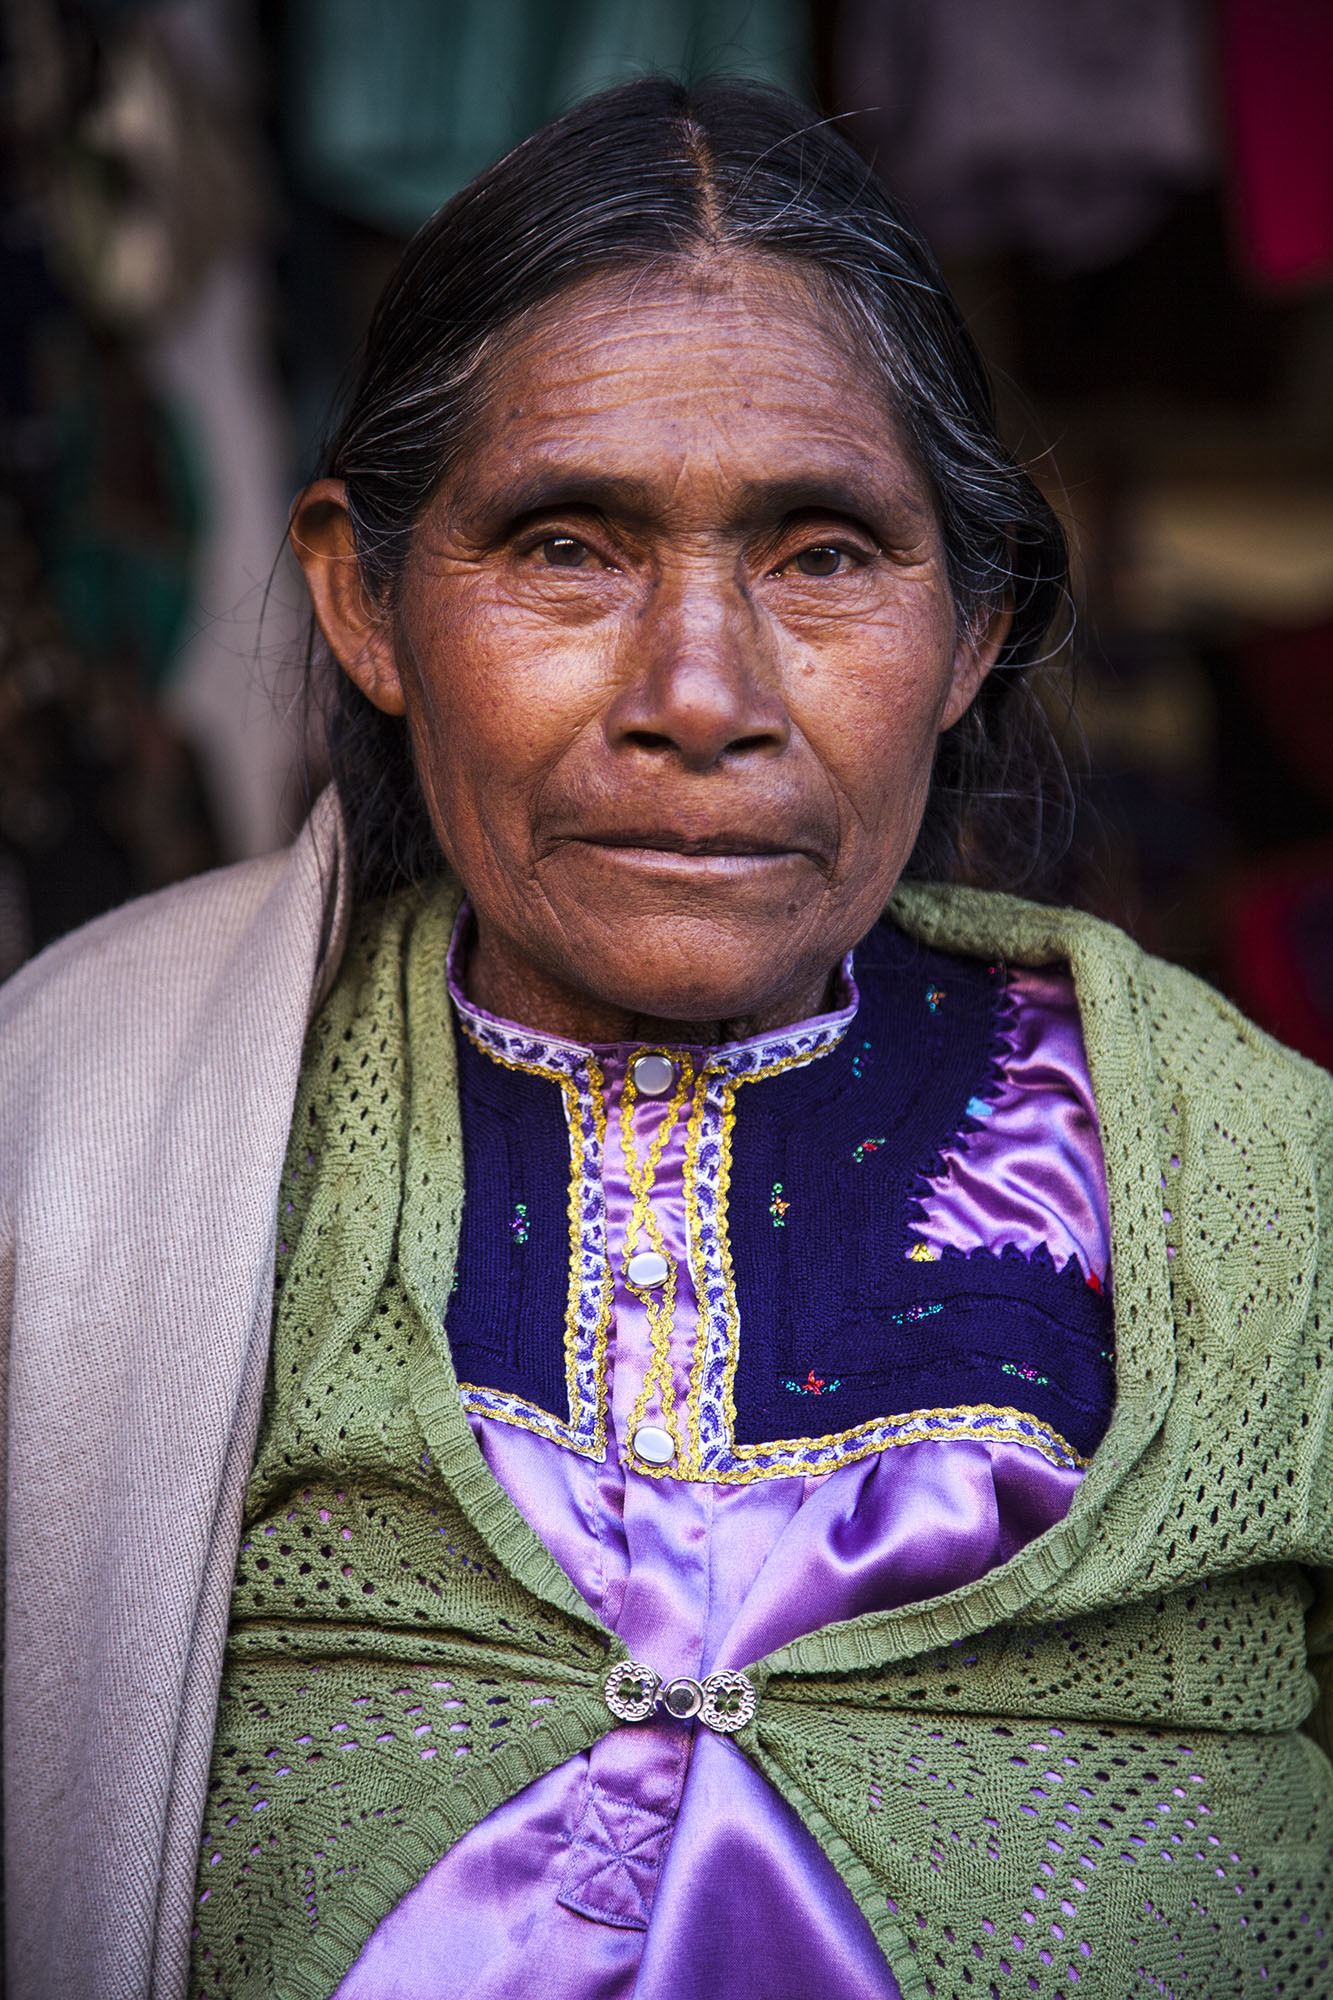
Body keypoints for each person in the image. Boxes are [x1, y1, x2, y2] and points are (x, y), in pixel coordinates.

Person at [1, 77, 1329, 2000]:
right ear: (364, 600)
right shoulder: (83, 1132)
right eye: (565, 546)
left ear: (973, 625)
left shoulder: (1262, 1183)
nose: (695, 695)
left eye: (821, 554)